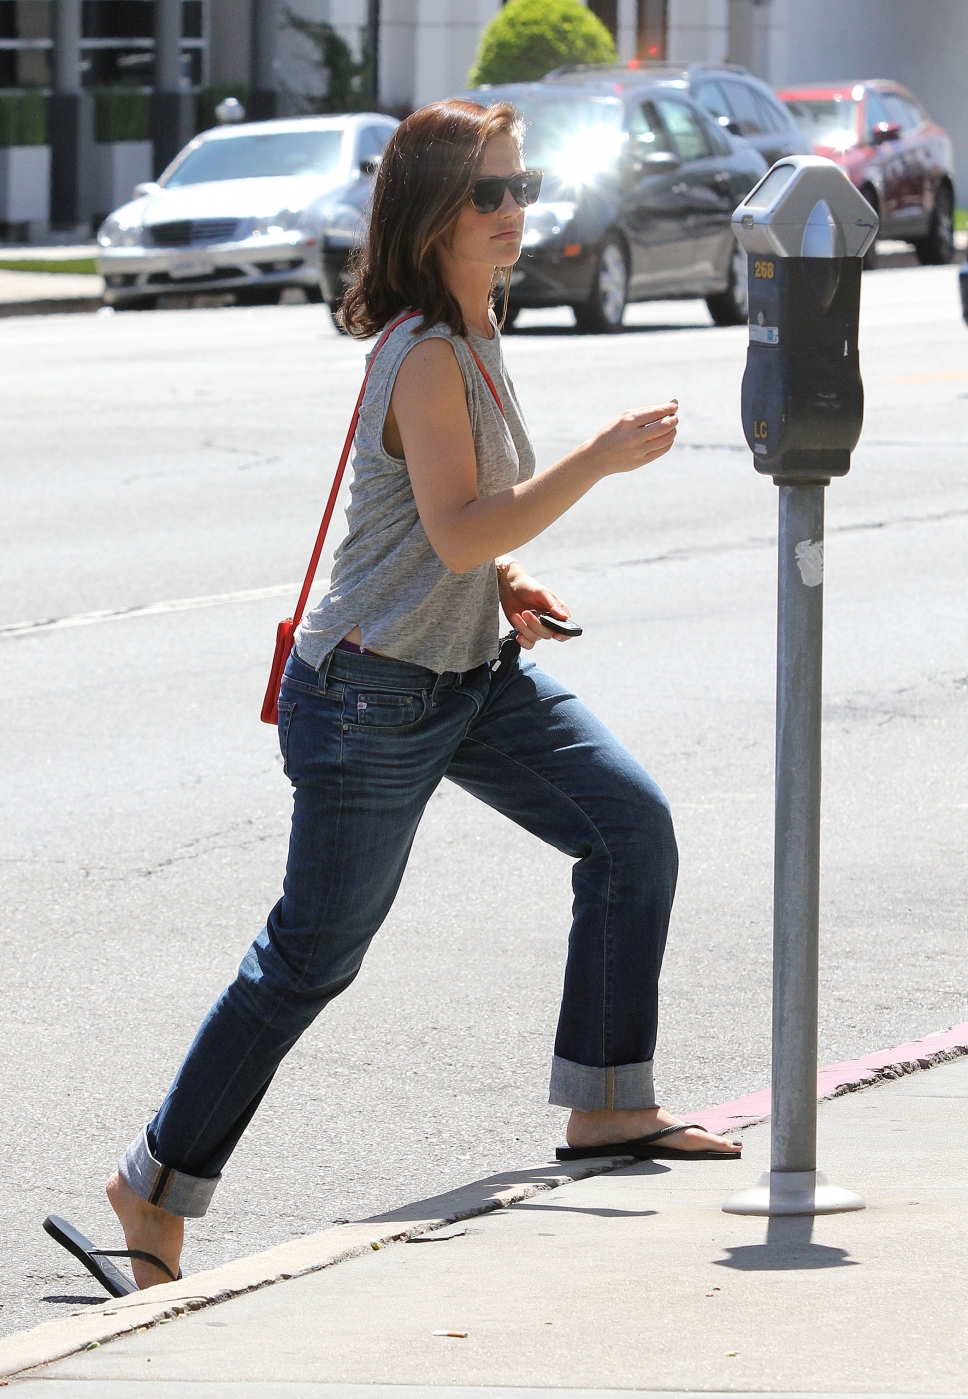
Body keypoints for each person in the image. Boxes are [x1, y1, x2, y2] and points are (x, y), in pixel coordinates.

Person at [81, 98, 740, 1291]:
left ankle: (604, 1102)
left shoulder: (477, 326)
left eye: (519, 188)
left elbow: (461, 533)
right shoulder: (428, 352)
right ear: (429, 210)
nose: (509, 213)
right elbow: (449, 529)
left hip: (470, 675)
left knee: (629, 831)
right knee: (309, 956)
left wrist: (509, 577)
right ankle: (154, 1181)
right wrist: (589, 462)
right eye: (485, 193)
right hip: (372, 696)